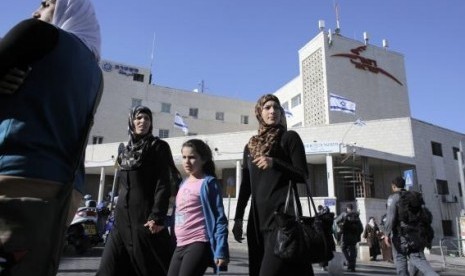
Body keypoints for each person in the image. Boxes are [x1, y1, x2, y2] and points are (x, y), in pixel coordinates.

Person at [0, 0, 102, 275]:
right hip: (63, 194)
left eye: (46, 3)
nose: (36, 11)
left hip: (12, 175)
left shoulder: (38, 34)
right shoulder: (96, 75)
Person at [232, 94, 313, 276]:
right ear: (259, 112)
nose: (273, 111)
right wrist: (238, 219)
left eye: (276, 108)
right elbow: (246, 186)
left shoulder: (289, 138)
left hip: (282, 221)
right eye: (267, 107)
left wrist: (275, 162)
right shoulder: (251, 146)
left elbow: (303, 174)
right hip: (256, 222)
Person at [97, 106, 177, 276]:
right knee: (108, 268)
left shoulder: (158, 146)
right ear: (131, 121)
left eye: (147, 119)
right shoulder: (124, 151)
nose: (143, 122)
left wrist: (157, 216)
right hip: (120, 220)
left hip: (145, 219)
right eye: (139, 118)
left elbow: (165, 182)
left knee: (148, 267)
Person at [167, 139, 229, 276]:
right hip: (179, 244)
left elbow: (220, 218)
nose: (187, 162)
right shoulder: (183, 183)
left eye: (192, 157)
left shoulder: (208, 183)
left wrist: (221, 250)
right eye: (184, 157)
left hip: (198, 242)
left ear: (204, 159)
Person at [383, 177, 438, 276]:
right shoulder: (414, 196)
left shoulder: (393, 198)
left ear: (393, 186)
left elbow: (390, 217)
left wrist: (386, 234)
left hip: (400, 236)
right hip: (416, 235)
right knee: (419, 260)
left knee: (400, 259)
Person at [334, 203, 364, 272]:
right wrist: (357, 235)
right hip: (354, 237)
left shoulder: (344, 214)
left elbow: (336, 221)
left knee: (343, 248)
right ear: (352, 208)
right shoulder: (356, 216)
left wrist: (340, 229)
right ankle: (352, 266)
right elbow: (361, 228)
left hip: (345, 236)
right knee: (353, 251)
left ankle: (348, 260)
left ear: (347, 208)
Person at [318, 205, 336, 271]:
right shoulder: (330, 217)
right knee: (328, 250)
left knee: (323, 250)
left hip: (324, 236)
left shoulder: (324, 218)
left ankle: (323, 265)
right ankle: (325, 265)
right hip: (328, 236)